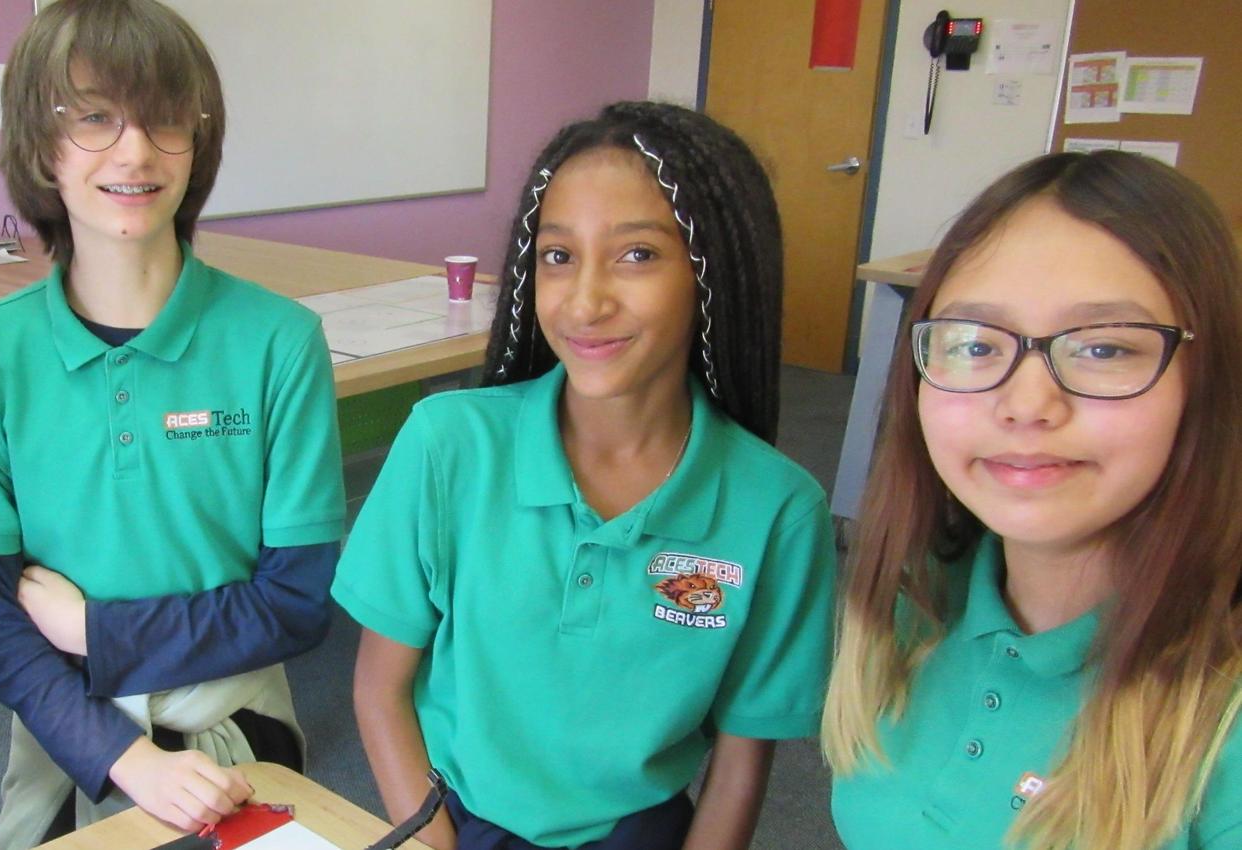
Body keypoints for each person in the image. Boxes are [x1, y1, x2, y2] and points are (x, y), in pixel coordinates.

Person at [335, 101, 837, 850]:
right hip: (452, 820)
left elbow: (741, 755)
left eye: (637, 254)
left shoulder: (779, 509)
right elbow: (379, 689)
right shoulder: (450, 444)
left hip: (638, 832)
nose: (585, 300)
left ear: (712, 273)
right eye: (558, 256)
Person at [0, 1, 345, 847]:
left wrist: (96, 631)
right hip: (66, 732)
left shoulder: (279, 341)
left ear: (200, 141)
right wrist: (126, 757)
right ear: (39, 146)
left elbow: (298, 604)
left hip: (241, 730)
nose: (134, 150)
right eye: (92, 117)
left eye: (163, 119)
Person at [824, 150, 1242, 849]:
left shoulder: (1218, 724)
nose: (1026, 404)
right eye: (976, 344)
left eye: (1105, 349)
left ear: (1209, 382)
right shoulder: (912, 599)